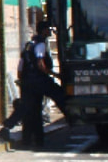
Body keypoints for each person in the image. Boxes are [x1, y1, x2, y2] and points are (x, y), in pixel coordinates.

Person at [4, 20, 66, 148]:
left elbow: (21, 66)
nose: (50, 31)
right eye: (48, 29)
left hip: (28, 81)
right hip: (38, 80)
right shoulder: (41, 45)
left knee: (31, 109)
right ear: (43, 30)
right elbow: (40, 64)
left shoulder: (29, 45)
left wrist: (22, 80)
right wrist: (54, 75)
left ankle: (35, 139)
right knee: (59, 94)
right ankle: (73, 116)